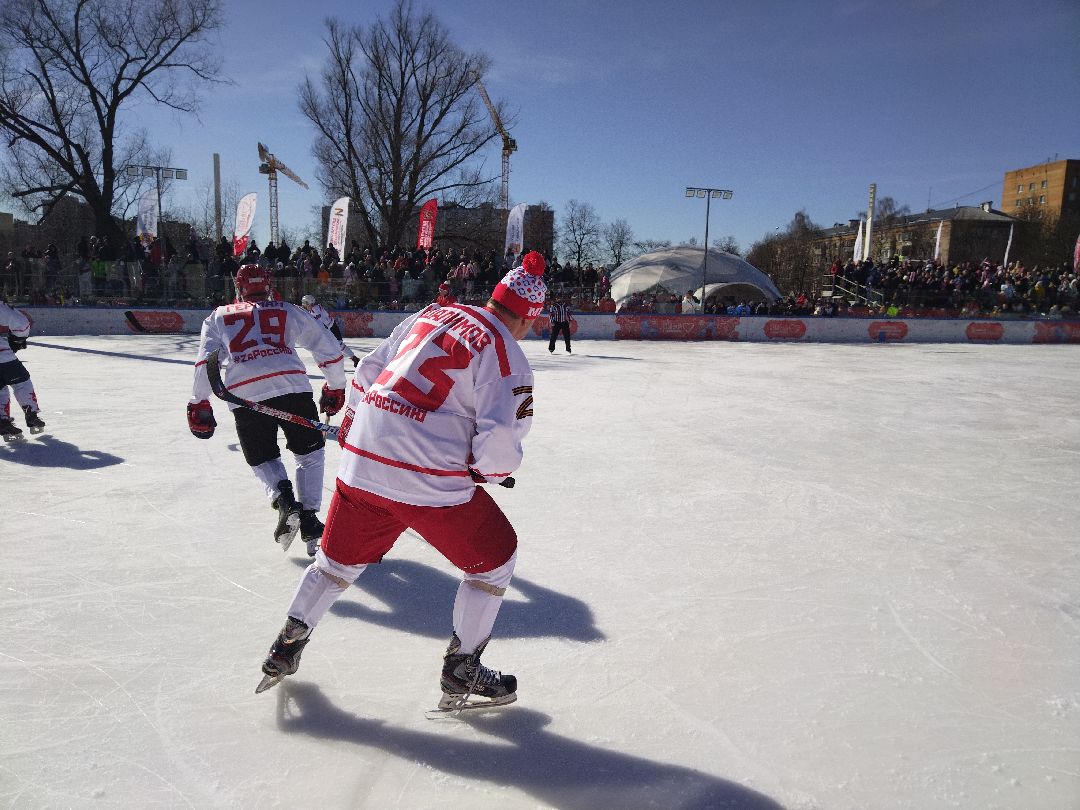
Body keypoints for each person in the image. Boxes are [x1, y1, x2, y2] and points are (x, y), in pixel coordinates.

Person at [256, 251, 549, 710]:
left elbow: (371, 369)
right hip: (425, 477)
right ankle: (462, 669)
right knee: (495, 559)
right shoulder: (508, 354)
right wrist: (486, 473)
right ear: (529, 319)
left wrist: (353, 419)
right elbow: (498, 444)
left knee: (335, 565)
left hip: (362, 462)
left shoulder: (435, 311)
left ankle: (286, 645)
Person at [188, 265, 347, 556]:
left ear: (238, 286)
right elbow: (325, 344)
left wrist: (199, 400)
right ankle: (310, 523)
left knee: (262, 459)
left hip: (245, 393)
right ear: (270, 284)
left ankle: (283, 499)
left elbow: (206, 362)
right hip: (292, 385)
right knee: (310, 454)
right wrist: (335, 385)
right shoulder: (287, 309)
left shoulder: (218, 317)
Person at [0, 298, 45, 441]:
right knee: (22, 382)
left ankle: (3, 422)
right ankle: (31, 415)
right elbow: (21, 323)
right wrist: (18, 340)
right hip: (4, 357)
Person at [301, 294, 359, 368]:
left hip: (331, 328)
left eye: (305, 303)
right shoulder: (313, 309)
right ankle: (351, 359)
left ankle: (354, 359)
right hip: (328, 329)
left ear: (309, 302)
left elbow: (320, 322)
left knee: (339, 345)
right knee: (331, 347)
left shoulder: (315, 309)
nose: (304, 305)